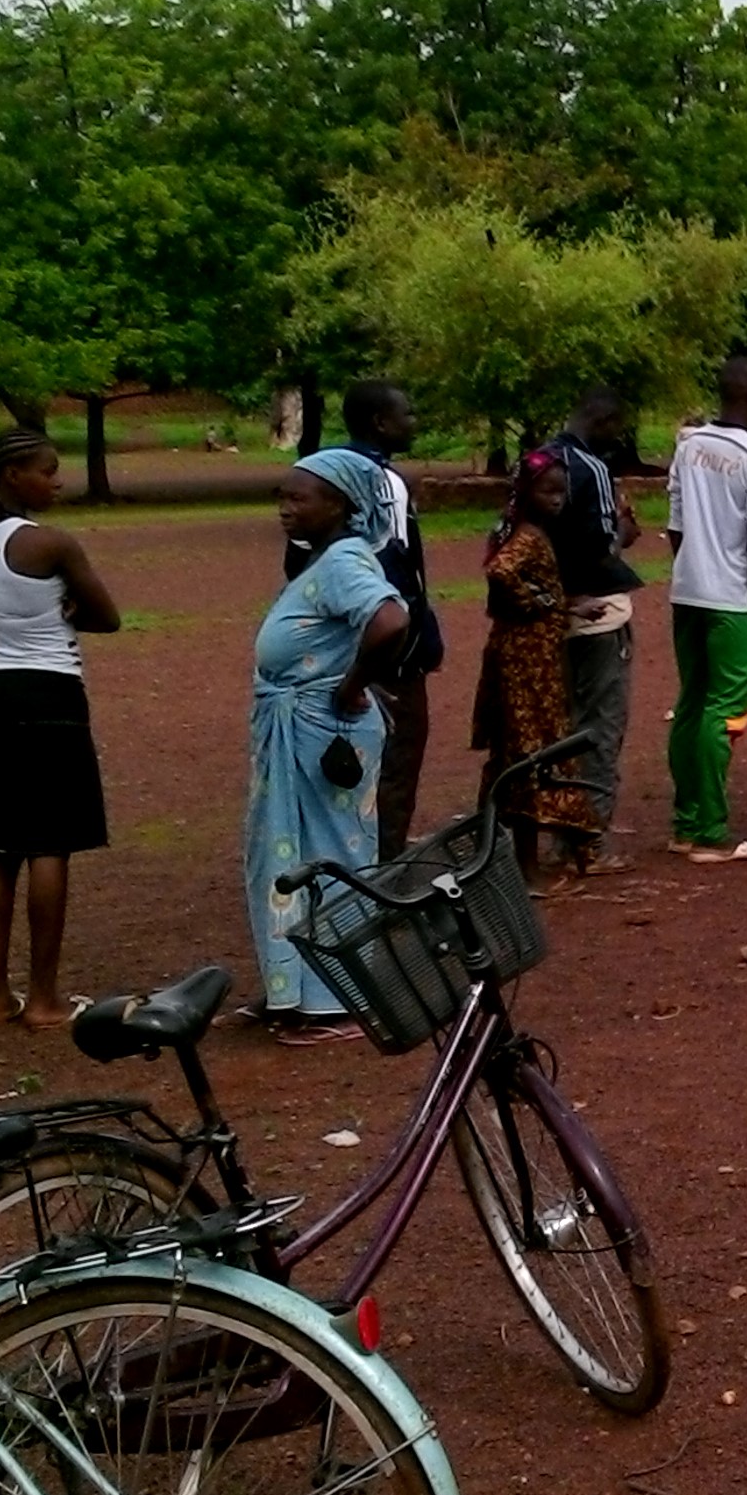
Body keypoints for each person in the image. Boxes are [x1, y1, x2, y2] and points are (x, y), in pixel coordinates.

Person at [0, 425, 120, 1027]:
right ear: (11, 476)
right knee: (49, 843)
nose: (57, 480)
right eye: (47, 470)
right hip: (51, 692)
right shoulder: (53, 544)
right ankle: (44, 997)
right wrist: (71, 608)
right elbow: (108, 617)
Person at [247, 451, 413, 1039]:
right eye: (283, 497)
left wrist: (350, 685)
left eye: (301, 499)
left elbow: (391, 619)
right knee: (292, 856)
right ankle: (294, 989)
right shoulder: (325, 561)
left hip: (323, 728)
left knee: (328, 858)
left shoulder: (344, 560)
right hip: (299, 723)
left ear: (342, 506)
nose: (287, 510)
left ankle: (333, 1000)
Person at [663, 355, 747, 862]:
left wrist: (694, 568)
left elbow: (675, 527)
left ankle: (686, 822)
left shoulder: (689, 448)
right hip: (733, 599)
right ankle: (710, 832)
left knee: (691, 703)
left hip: (687, 593)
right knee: (725, 711)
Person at [470, 449, 600, 890]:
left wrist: (567, 606)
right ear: (527, 493)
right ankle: (527, 869)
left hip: (530, 657)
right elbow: (501, 572)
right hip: (526, 664)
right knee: (531, 755)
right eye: (549, 491)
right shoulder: (526, 536)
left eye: (562, 491)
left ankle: (510, 860)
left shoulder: (531, 533)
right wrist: (541, 605)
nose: (558, 499)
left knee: (525, 754)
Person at [325, 380, 442, 857]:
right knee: (398, 755)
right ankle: (384, 868)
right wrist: (410, 645)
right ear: (380, 423)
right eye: (407, 414)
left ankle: (350, 856)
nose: (413, 422)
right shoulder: (382, 480)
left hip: (339, 639)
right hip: (388, 647)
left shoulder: (324, 474)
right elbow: (392, 569)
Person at [550, 390, 644, 867]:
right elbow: (602, 545)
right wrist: (625, 532)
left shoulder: (540, 462)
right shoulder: (593, 470)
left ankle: (560, 830)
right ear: (604, 421)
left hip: (550, 614)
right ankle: (588, 839)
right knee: (601, 726)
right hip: (597, 615)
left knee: (562, 723)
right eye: (616, 429)